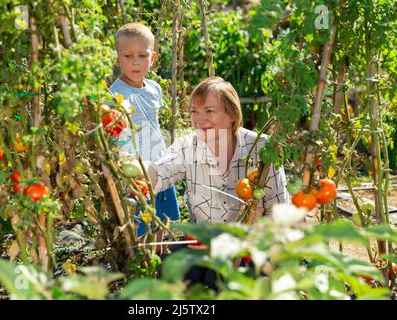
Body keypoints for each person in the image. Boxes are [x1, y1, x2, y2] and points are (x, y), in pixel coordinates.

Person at [147, 77, 289, 289]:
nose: (199, 119)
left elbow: (278, 210)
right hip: (199, 246)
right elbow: (160, 172)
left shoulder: (261, 148)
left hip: (246, 249)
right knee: (169, 270)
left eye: (209, 111)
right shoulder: (187, 147)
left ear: (232, 114)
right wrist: (134, 169)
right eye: (194, 112)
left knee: (224, 283)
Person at [109, 22, 180, 236]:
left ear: (153, 57)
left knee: (164, 221)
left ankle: (162, 259)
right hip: (136, 171)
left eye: (142, 55)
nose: (136, 62)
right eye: (128, 56)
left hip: (159, 165)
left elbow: (155, 124)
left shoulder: (154, 88)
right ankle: (144, 262)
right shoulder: (116, 94)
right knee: (141, 223)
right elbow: (117, 136)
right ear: (118, 58)